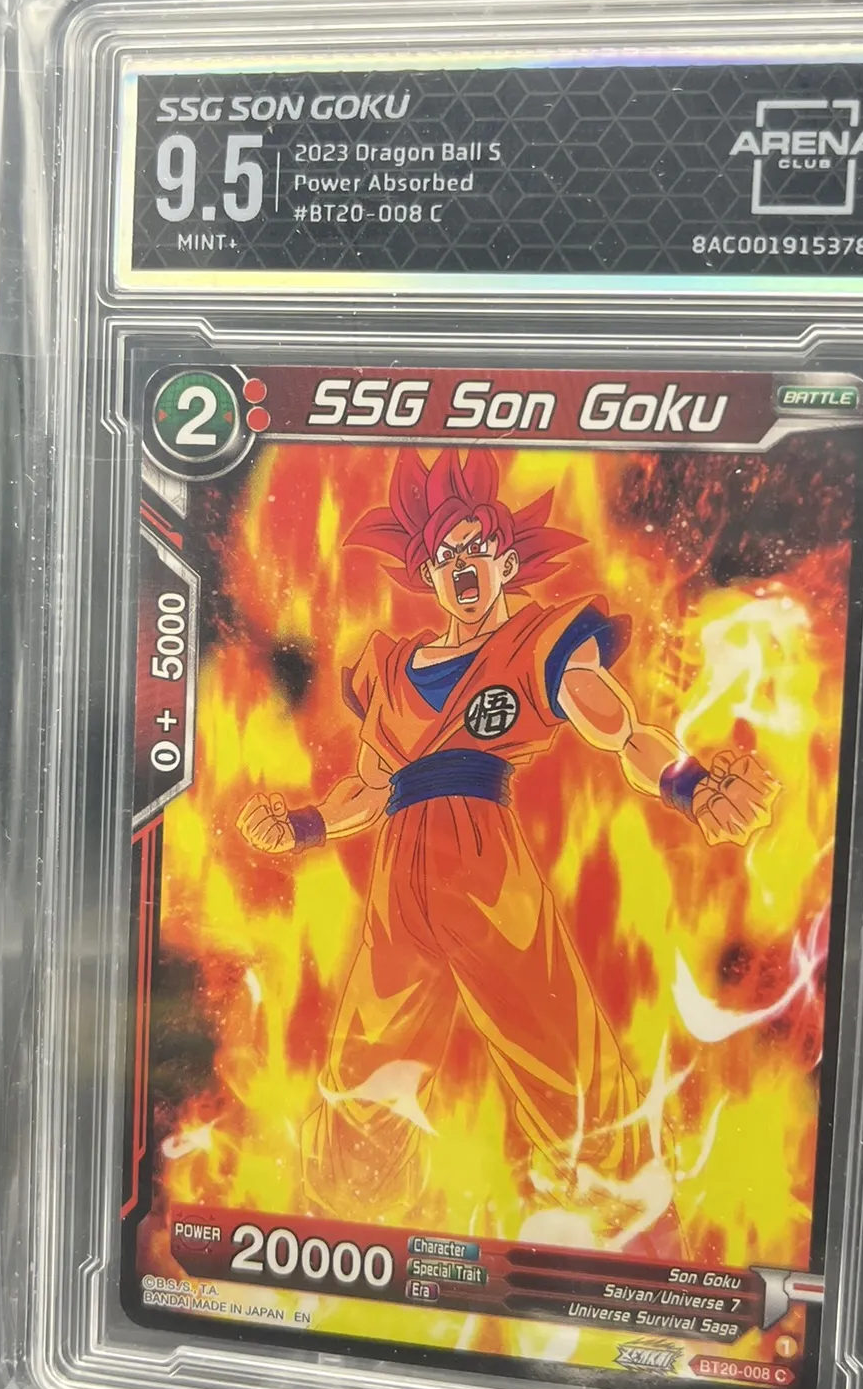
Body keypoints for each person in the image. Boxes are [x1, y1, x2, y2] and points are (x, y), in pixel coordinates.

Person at [236, 449, 778, 1221]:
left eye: (477, 549)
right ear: (428, 576)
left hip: (486, 870)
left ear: (505, 562)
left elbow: (621, 732)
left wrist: (688, 784)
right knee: (362, 1080)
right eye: (445, 556)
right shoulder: (388, 667)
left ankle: (622, 1227)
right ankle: (351, 1237)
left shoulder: (538, 645)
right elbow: (371, 787)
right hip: (400, 889)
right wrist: (301, 825)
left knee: (564, 1066)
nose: (461, 565)